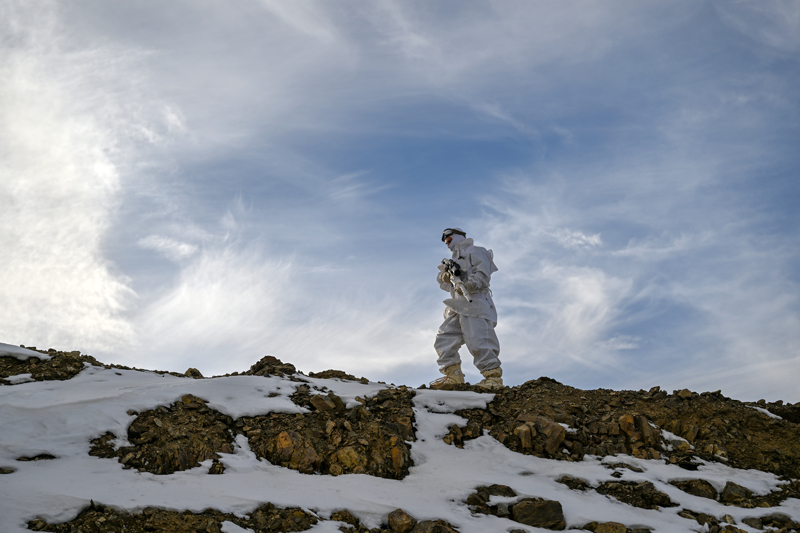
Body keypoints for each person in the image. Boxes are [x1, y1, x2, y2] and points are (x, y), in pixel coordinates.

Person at [431, 227, 503, 390]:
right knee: (444, 339)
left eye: (450, 241)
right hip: (457, 306)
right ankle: (453, 377)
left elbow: (482, 275)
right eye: (446, 243)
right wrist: (445, 276)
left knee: (479, 341)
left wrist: (469, 284)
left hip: (475, 303)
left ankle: (493, 377)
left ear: (457, 238)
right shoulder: (451, 260)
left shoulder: (477, 251)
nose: (448, 246)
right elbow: (443, 283)